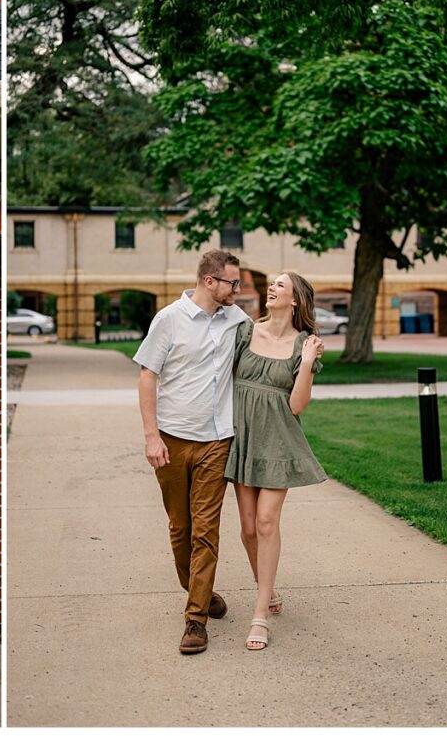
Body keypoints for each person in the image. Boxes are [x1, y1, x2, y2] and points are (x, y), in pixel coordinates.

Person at [134, 250, 250, 654]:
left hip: (218, 440)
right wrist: (152, 436)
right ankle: (200, 589)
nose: (239, 289)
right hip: (172, 438)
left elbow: (269, 347)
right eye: (233, 282)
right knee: (180, 530)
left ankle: (195, 619)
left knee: (206, 531)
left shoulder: (239, 321)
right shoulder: (169, 319)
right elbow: (148, 376)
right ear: (209, 281)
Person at [224, 272, 327, 650]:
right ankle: (268, 588)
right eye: (272, 284)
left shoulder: (307, 344)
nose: (271, 288)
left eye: (280, 285)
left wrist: (305, 363)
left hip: (279, 440)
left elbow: (297, 405)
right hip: (245, 436)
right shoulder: (246, 332)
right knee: (249, 528)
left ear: (296, 299)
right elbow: (226, 380)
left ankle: (259, 615)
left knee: (267, 522)